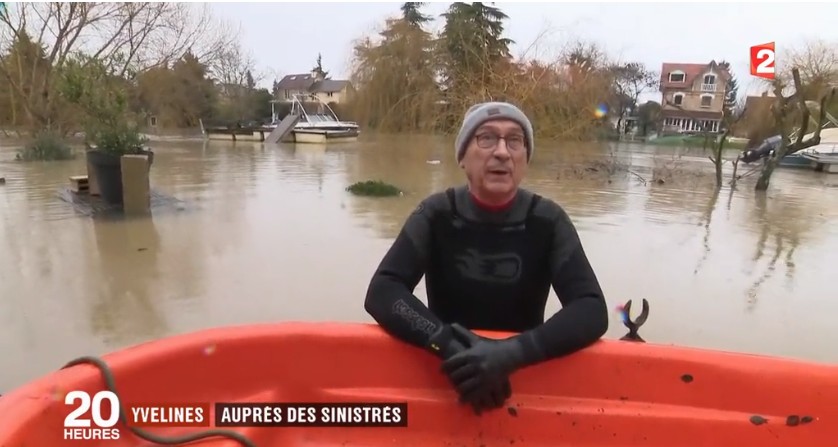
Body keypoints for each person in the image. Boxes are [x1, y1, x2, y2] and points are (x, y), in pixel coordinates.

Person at [363, 101, 609, 414]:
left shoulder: (548, 221)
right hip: (449, 375)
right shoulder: (437, 213)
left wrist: (511, 354)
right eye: (487, 138)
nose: (502, 152)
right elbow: (383, 291)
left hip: (520, 383)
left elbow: (590, 309)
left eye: (515, 140)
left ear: (525, 159)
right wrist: (447, 346)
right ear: (462, 157)